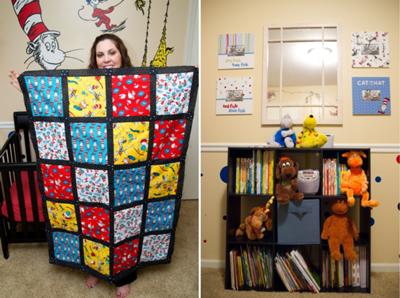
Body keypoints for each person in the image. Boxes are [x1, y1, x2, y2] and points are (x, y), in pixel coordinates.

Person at [9, 33, 136, 298]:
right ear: (94, 59)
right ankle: (95, 267)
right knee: (93, 219)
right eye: (100, 55)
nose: (106, 59)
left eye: (111, 52)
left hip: (126, 167)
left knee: (125, 221)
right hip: (91, 167)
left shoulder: (137, 83)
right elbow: (58, 106)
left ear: (121, 54)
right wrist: (29, 91)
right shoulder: (84, 85)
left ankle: (123, 275)